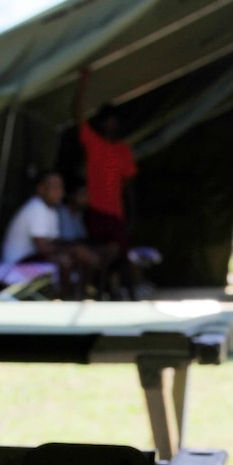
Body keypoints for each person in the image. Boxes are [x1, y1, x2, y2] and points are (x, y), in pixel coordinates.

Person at [72, 67, 139, 300]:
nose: (110, 125)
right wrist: (83, 84)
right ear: (101, 123)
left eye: (114, 121)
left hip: (115, 215)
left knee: (121, 255)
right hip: (96, 213)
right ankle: (100, 293)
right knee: (104, 255)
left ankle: (128, 296)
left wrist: (131, 215)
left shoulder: (123, 151)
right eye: (107, 121)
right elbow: (77, 115)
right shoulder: (93, 143)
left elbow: (129, 185)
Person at [0, 171, 100, 300]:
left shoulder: (51, 211)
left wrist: (77, 248)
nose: (60, 192)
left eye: (61, 188)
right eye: (55, 187)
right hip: (17, 262)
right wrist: (74, 250)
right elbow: (43, 247)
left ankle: (79, 295)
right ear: (41, 189)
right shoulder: (36, 207)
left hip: (33, 257)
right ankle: (63, 299)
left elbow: (55, 241)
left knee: (79, 255)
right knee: (65, 260)